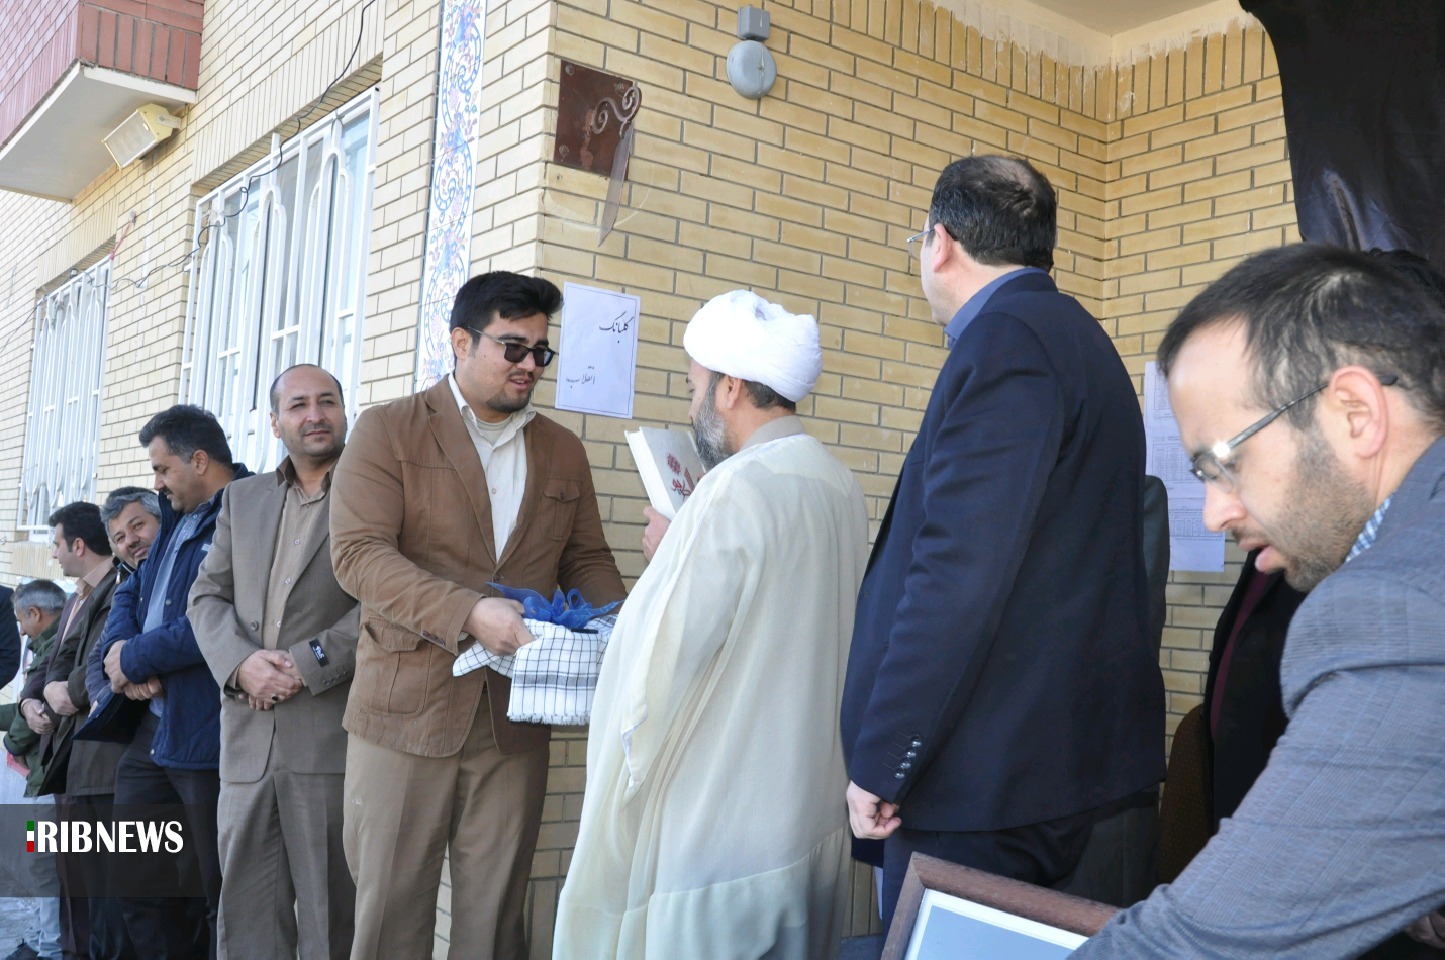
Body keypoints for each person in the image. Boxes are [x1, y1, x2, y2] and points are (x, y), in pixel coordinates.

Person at [1072, 244, 1445, 958]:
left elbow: (1201, 942)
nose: (1214, 512)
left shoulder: (1398, 606)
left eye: (1224, 462)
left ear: (1355, 412)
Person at [842, 155, 1166, 925]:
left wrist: (884, 759)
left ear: (940, 243)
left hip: (989, 791)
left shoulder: (1005, 345)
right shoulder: (1081, 342)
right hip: (1069, 775)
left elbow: (956, 576)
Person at [554, 291, 868, 959]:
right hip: (805, 816)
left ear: (730, 388)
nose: (690, 407)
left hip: (720, 829)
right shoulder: (839, 482)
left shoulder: (733, 489)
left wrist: (673, 554)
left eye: (694, 388)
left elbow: (661, 665)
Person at [329, 271, 625, 960]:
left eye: (540, 352)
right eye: (512, 348)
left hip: (515, 717)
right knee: (389, 916)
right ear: (460, 342)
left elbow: (585, 558)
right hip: (405, 711)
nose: (530, 366)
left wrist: (623, 626)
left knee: (494, 922)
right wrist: (468, 612)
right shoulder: (389, 429)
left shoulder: (562, 449)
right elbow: (359, 556)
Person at [190, 365, 359, 960]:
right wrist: (241, 665)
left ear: (344, 412)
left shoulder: (377, 491)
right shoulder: (242, 498)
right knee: (247, 918)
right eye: (298, 405)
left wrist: (305, 663)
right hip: (247, 739)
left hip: (329, 737)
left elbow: (387, 603)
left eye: (327, 401)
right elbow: (206, 596)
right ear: (274, 422)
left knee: (331, 919)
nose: (315, 415)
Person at [94, 405, 251, 959]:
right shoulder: (173, 513)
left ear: (199, 460)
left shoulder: (250, 511)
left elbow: (218, 619)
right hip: (150, 736)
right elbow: (132, 590)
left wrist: (135, 659)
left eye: (162, 469)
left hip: (206, 733)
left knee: (216, 893)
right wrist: (119, 656)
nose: (156, 482)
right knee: (136, 881)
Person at [34, 502, 123, 960]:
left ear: (79, 544)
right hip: (66, 758)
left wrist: (62, 692)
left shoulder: (118, 586)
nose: (52, 553)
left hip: (97, 758)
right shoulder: (76, 596)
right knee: (70, 876)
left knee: (98, 886)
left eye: (56, 543)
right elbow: (54, 659)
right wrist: (35, 698)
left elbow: (96, 664)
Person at [5, 579, 68, 960]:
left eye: (21, 620)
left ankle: (51, 947)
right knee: (43, 862)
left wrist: (12, 742)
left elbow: (32, 719)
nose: (21, 630)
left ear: (35, 613)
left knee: (44, 864)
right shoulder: (52, 641)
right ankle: (45, 939)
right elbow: (25, 708)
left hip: (51, 778)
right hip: (45, 777)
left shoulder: (57, 643)